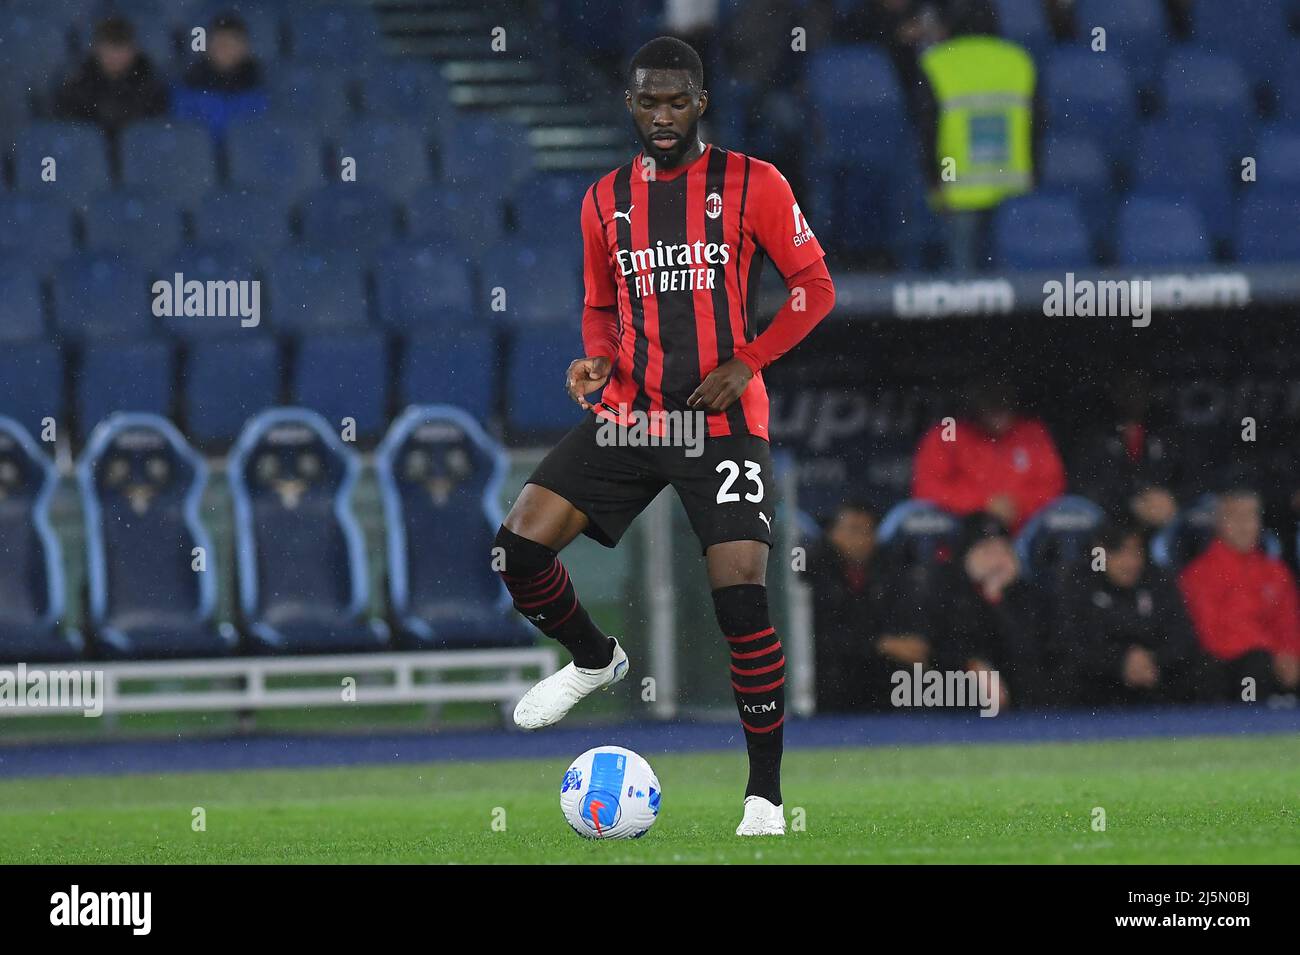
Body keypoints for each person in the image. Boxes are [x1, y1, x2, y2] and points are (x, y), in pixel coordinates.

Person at [492, 37, 835, 837]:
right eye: (648, 102)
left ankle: (765, 797)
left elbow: (814, 289)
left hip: (722, 426)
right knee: (519, 546)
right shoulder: (604, 199)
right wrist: (594, 359)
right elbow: (602, 305)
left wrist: (747, 360)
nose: (662, 116)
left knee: (742, 598)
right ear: (630, 104)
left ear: (701, 103)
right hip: (632, 415)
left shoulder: (755, 183)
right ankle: (592, 657)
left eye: (676, 101)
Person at [913, 0, 1040, 271]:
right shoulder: (1019, 61)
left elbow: (926, 130)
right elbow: (1038, 127)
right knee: (1013, 285)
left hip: (958, 193)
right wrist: (1034, 175)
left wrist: (933, 180)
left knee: (964, 291)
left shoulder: (936, 63)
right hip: (1013, 190)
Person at [1055, 522, 1202, 707]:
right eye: (1119, 553)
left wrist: (1152, 659)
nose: (1130, 562)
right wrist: (1120, 662)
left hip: (1156, 677)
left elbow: (1182, 636)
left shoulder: (1158, 580)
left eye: (1135, 553)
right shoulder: (1078, 584)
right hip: (1099, 686)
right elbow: (1073, 643)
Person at [805, 502, 928, 712]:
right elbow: (821, 636)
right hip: (830, 679)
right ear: (832, 534)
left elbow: (907, 626)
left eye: (868, 530)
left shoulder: (888, 568)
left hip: (879, 677)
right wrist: (879, 644)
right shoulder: (813, 571)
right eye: (853, 530)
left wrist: (898, 643)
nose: (861, 538)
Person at [1179, 490, 1300, 703]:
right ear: (1219, 523)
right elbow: (1208, 633)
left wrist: (1290, 654)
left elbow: (1288, 623)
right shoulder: (1199, 573)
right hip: (1224, 664)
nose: (1244, 525)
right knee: (1252, 666)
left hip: (1266, 661)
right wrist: (1267, 649)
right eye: (1235, 516)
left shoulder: (1276, 572)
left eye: (1251, 516)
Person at [919, 513, 1047, 709]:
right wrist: (973, 666)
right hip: (953, 704)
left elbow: (1030, 654)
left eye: (1004, 550)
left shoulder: (1026, 593)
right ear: (966, 556)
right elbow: (942, 649)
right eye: (987, 551)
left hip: (1026, 705)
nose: (997, 560)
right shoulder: (942, 590)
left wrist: (998, 601)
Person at [911, 374, 1066, 533]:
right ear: (974, 402)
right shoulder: (948, 433)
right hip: (963, 532)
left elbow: (1052, 485)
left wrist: (1018, 505)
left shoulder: (1032, 433)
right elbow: (927, 488)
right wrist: (982, 503)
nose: (998, 407)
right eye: (990, 400)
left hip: (1024, 533)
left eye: (1003, 399)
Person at [1069, 371, 1180, 531]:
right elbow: (1083, 487)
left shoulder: (1165, 433)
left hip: (1160, 523)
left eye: (1138, 389)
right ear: (1115, 394)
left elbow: (1186, 477)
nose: (1132, 396)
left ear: (1148, 392)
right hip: (1112, 528)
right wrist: (1130, 504)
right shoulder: (1096, 436)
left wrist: (1171, 499)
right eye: (1126, 389)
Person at [54, 16, 168, 139]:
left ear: (134, 50)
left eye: (121, 48)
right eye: (110, 48)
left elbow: (154, 129)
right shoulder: (78, 84)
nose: (115, 56)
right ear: (96, 49)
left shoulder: (151, 84)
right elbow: (71, 130)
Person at [172, 13, 267, 140]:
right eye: (219, 42)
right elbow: (184, 135)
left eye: (231, 43)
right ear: (207, 46)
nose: (224, 48)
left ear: (244, 48)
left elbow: (258, 134)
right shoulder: (187, 89)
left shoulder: (259, 90)